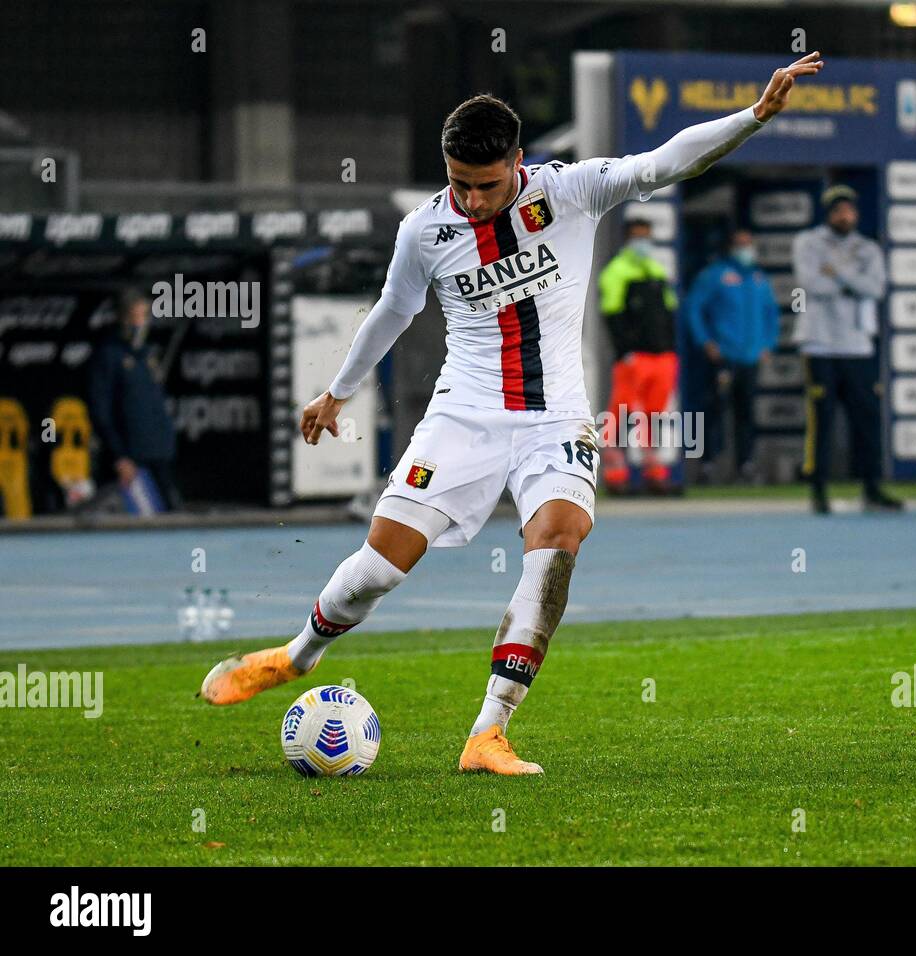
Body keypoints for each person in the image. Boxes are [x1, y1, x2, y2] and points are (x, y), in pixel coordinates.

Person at [199, 52, 826, 775]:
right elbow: (393, 312)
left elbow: (664, 163)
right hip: (462, 418)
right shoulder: (425, 231)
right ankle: (295, 655)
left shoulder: (570, 193)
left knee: (557, 547)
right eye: (457, 182)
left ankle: (487, 734)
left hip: (555, 419)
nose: (469, 199)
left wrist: (754, 117)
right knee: (379, 568)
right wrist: (337, 390)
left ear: (518, 162)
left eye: (485, 185)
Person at [792, 184, 901, 514]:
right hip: (819, 344)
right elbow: (811, 284)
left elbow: (876, 288)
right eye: (838, 211)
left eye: (849, 210)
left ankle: (871, 487)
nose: (845, 216)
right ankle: (819, 489)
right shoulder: (808, 242)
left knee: (866, 419)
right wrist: (852, 280)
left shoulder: (867, 248)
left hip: (857, 345)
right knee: (821, 419)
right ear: (828, 214)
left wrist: (837, 271)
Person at [683, 228, 779, 483]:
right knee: (714, 411)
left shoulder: (759, 278)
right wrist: (706, 342)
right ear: (730, 247)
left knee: (746, 414)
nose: (745, 249)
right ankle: (707, 466)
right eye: (740, 244)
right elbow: (693, 309)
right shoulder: (715, 275)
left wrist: (768, 344)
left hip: (750, 358)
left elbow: (771, 314)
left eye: (749, 244)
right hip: (723, 356)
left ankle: (745, 465)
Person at [597, 218, 679, 493]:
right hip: (634, 357)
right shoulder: (616, 271)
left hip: (662, 357)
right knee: (621, 415)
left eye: (646, 236)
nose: (643, 242)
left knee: (653, 416)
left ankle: (653, 472)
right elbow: (612, 315)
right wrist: (625, 352)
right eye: (637, 236)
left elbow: (669, 313)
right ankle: (614, 475)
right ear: (627, 239)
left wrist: (670, 350)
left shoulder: (656, 270)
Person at [86, 288, 180, 511]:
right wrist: (119, 457)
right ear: (122, 318)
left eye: (144, 316)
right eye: (135, 317)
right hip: (131, 460)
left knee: (172, 514)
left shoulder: (147, 354)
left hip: (159, 453)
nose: (141, 323)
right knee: (139, 521)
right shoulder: (108, 355)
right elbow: (101, 411)